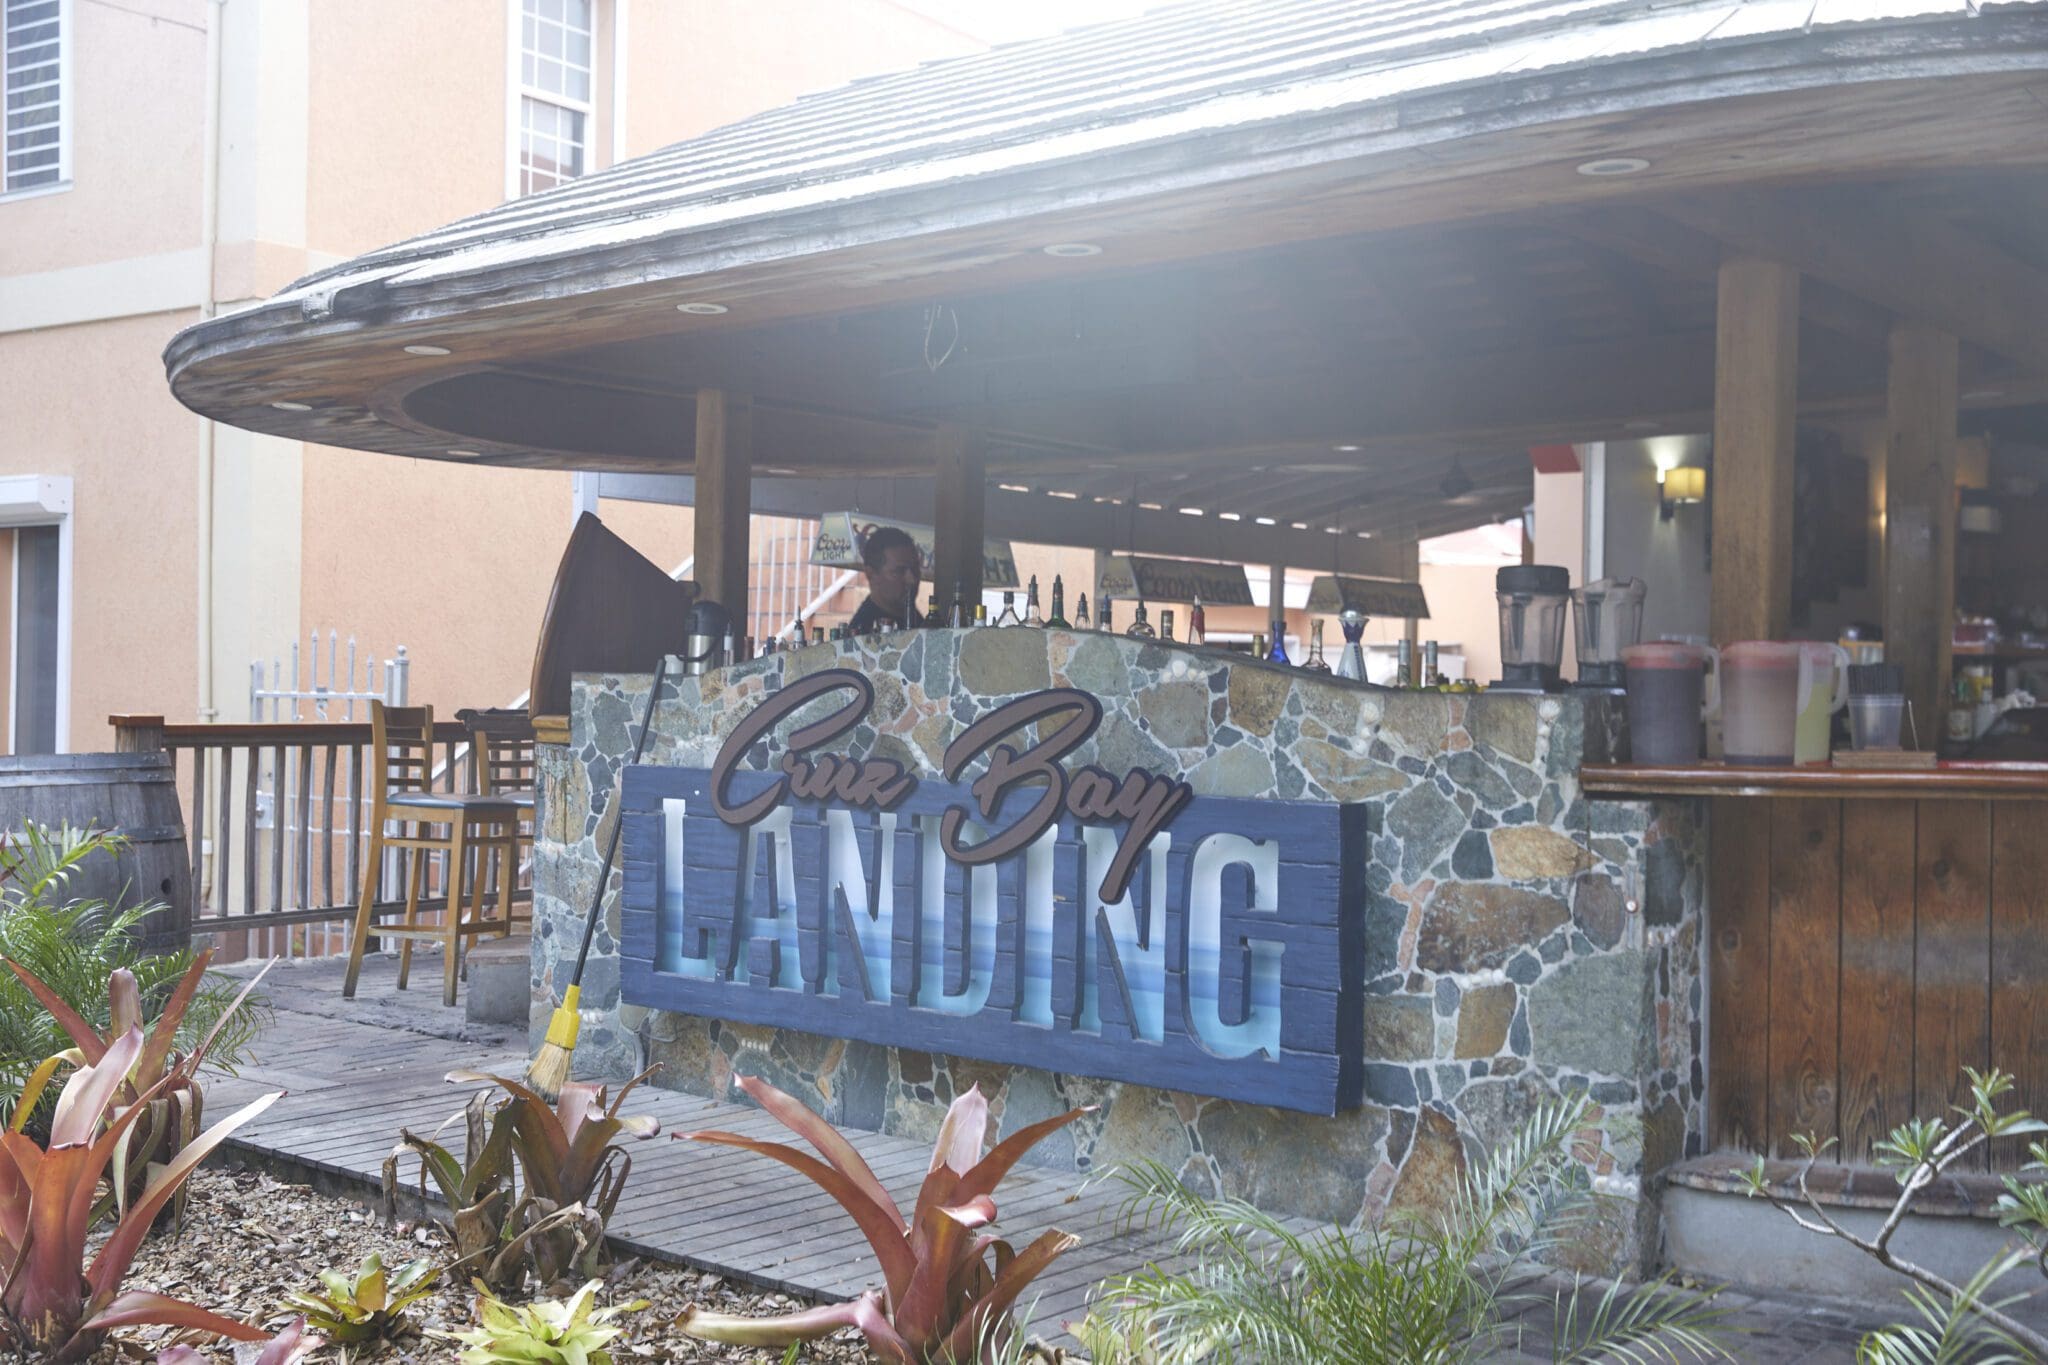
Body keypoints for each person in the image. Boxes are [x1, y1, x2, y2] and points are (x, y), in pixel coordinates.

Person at [848, 525, 925, 634]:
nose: (912, 579)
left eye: (915, 568)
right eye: (899, 571)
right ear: (871, 574)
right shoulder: (863, 633)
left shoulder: (919, 621)